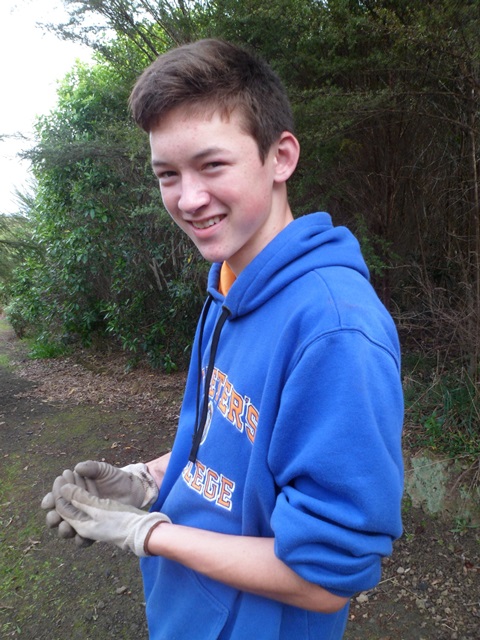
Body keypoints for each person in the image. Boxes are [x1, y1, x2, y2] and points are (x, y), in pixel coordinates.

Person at [41, 38, 404, 639]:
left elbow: (326, 577)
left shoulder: (336, 331)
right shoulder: (229, 286)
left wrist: (148, 533)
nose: (189, 199)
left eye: (212, 165)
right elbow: (231, 439)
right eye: (168, 174)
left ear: (280, 157)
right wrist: (149, 480)